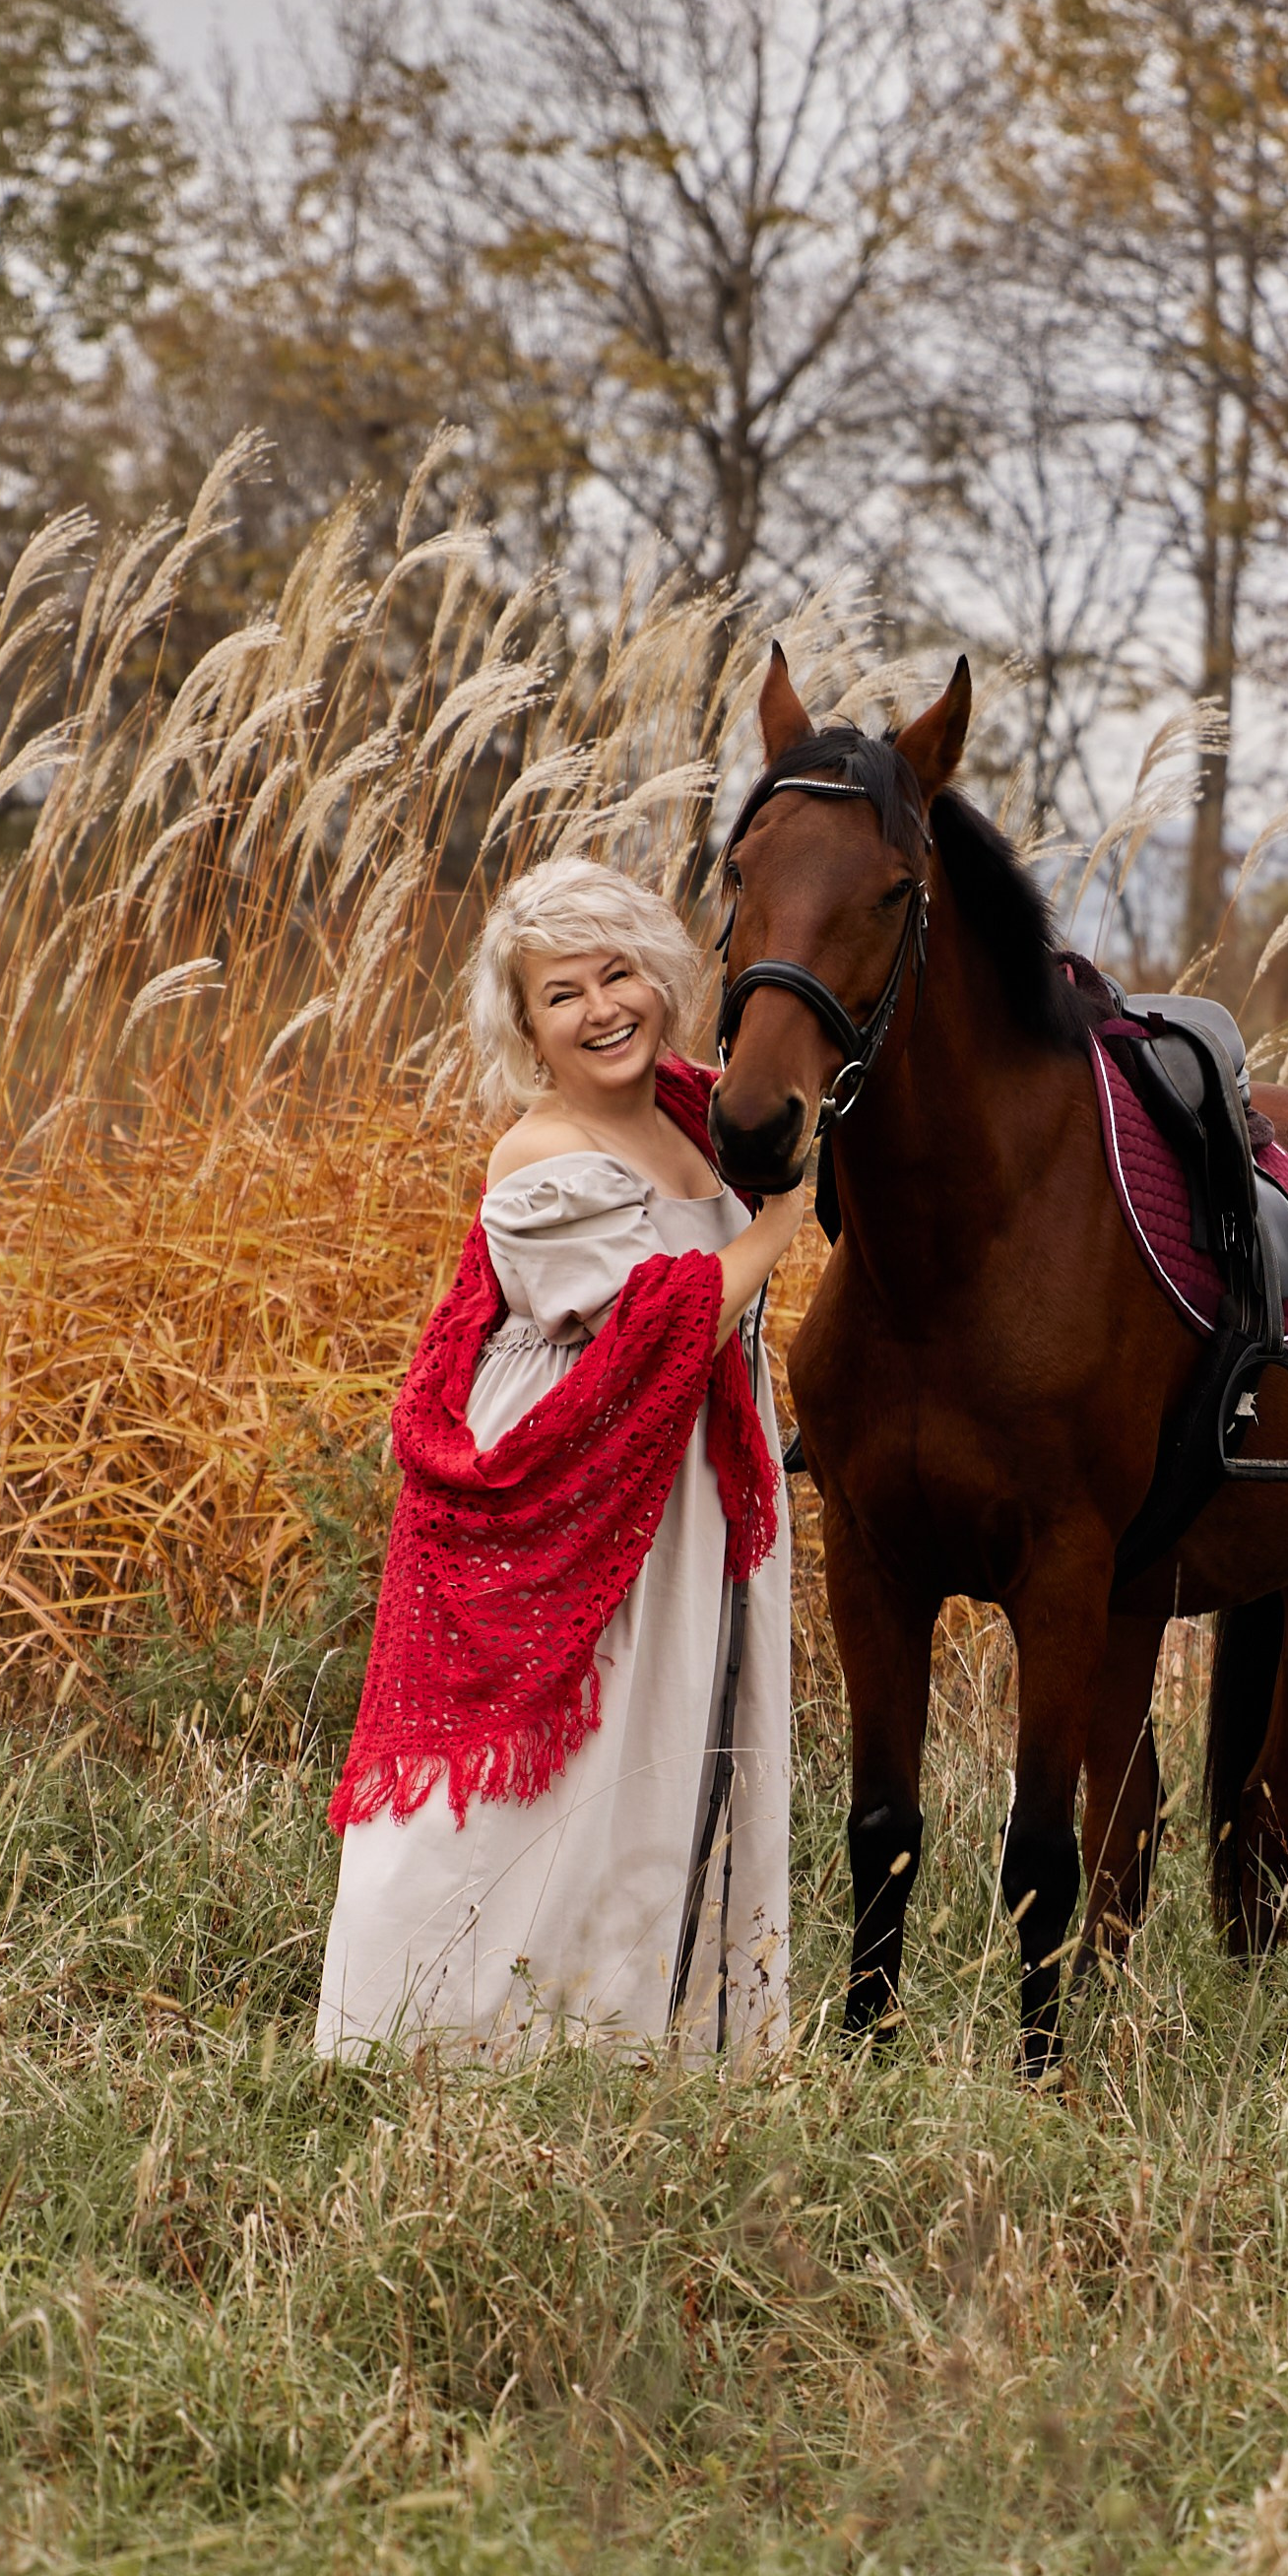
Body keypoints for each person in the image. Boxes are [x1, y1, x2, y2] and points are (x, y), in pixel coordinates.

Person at [315, 857, 805, 2061]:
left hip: (685, 1471)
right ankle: (435, 2031)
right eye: (563, 992)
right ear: (527, 1028)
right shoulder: (538, 1155)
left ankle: (648, 2031)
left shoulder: (694, 1109)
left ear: (665, 977)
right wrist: (788, 1217)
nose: (602, 1007)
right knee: (563, 1746)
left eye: (621, 971)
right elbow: (666, 1315)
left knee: (664, 1736)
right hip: (578, 1476)